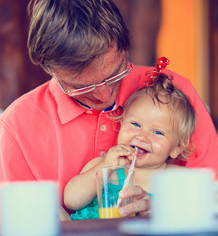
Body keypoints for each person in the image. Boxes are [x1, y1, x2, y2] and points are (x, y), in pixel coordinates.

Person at [0, 0, 218, 219]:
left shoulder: (174, 95)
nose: (105, 95)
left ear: (125, 47)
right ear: (49, 68)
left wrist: (167, 211)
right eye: (82, 87)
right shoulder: (16, 126)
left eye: (115, 74)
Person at [65, 64, 196, 219]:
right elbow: (70, 201)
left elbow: (193, 219)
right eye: (135, 124)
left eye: (158, 132)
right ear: (121, 124)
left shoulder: (178, 178)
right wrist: (106, 165)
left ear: (176, 148)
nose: (142, 136)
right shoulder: (102, 166)